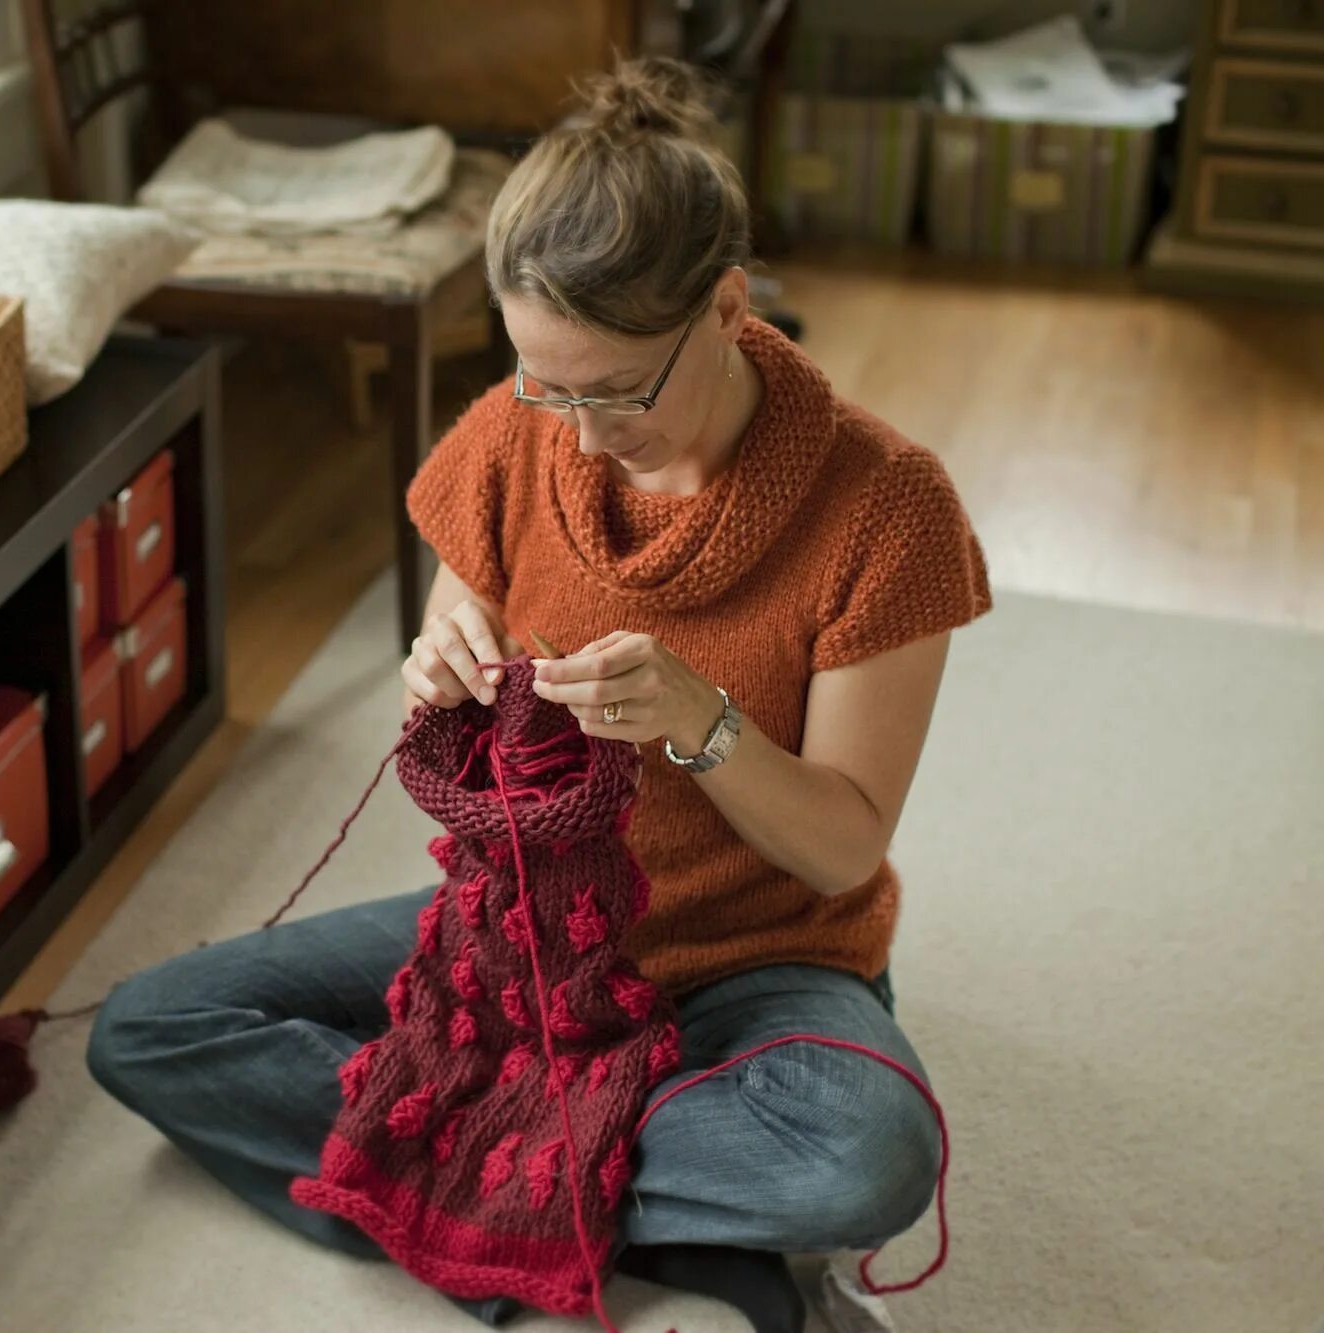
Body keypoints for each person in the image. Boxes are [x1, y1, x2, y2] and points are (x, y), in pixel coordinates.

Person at [86, 56, 992, 1332]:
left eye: (612, 389)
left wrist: (699, 722)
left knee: (865, 1158)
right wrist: (440, 658)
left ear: (729, 309)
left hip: (758, 958)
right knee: (149, 1029)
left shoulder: (885, 509)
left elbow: (842, 848)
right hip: (519, 941)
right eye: (538, 379)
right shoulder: (516, 439)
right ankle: (629, 1225)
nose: (571, 430)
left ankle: (485, 1163)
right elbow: (457, 611)